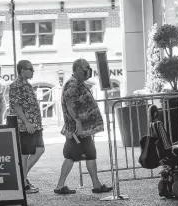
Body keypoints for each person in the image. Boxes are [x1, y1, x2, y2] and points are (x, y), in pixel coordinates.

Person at [54, 59, 113, 195]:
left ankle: (95, 184)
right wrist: (78, 122)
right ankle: (60, 185)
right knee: (72, 156)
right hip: (78, 131)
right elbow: (69, 105)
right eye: (87, 67)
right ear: (79, 69)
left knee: (87, 155)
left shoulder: (78, 83)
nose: (89, 69)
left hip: (82, 130)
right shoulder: (73, 84)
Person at [9, 60, 45, 194]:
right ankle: (23, 183)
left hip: (34, 125)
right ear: (23, 70)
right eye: (30, 69)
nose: (33, 71)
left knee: (40, 149)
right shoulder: (16, 85)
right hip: (25, 126)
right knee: (24, 154)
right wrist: (26, 122)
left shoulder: (27, 85)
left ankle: (21, 177)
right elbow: (16, 106)